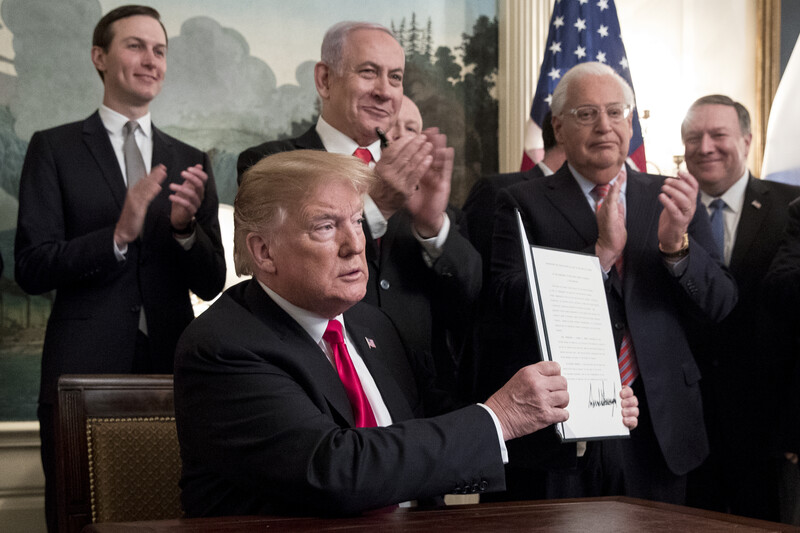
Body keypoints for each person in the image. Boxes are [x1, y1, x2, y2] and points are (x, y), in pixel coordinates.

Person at [173, 149, 640, 517]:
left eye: (356, 220)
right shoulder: (223, 346)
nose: (355, 243)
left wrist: (571, 406)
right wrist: (501, 417)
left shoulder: (370, 324)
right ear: (264, 252)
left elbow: (447, 424)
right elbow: (336, 471)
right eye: (325, 226)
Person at [13, 6, 225, 530]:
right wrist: (117, 236)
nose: (150, 59)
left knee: (172, 509)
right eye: (135, 46)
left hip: (172, 367)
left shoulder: (190, 157)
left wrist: (181, 230)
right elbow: (31, 267)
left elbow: (212, 279)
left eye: (159, 50)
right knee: (76, 511)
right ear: (99, 58)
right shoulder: (53, 148)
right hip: (81, 367)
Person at [490, 62, 737, 504]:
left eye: (616, 112)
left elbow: (720, 304)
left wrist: (676, 246)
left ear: (631, 122)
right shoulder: (519, 202)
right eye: (586, 114)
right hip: (561, 429)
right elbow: (507, 303)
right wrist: (600, 254)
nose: (604, 126)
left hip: (659, 425)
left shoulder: (673, 197)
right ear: (559, 127)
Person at [237, 21, 481, 397]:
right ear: (324, 80)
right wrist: (376, 205)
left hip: (426, 401)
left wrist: (433, 226)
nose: (385, 91)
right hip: (324, 389)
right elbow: (279, 279)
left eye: (395, 77)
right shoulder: (273, 164)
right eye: (369, 72)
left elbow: (470, 296)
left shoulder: (418, 167)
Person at [680, 95, 800, 522]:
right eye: (694, 136)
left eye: (718, 135)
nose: (705, 146)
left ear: (747, 141)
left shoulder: (792, 207)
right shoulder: (658, 209)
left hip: (767, 429)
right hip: (684, 429)